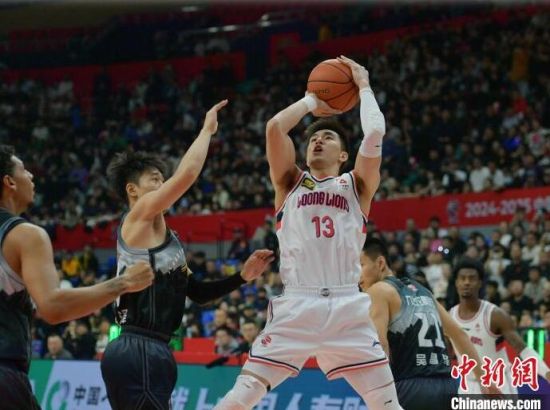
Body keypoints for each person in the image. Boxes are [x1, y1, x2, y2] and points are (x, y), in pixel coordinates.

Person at [215, 55, 402, 410]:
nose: (317, 141)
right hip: (297, 305)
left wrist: (363, 86)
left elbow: (375, 132)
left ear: (344, 155)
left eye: (327, 137)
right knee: (241, 397)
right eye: (313, 138)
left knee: (388, 405)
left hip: (348, 307)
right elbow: (274, 128)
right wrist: (312, 101)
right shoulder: (290, 182)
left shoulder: (357, 185)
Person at [101, 101, 275, 410]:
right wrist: (207, 130)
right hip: (137, 345)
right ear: (132, 190)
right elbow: (188, 174)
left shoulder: (171, 243)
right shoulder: (137, 217)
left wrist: (241, 277)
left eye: (161, 179)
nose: (161, 184)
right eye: (154, 179)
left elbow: (198, 293)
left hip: (155, 348)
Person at [0, 144, 154, 410]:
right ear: (10, 182)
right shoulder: (25, 235)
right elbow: (53, 307)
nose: (31, 176)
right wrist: (125, 282)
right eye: (24, 170)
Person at [359, 238, 499, 410]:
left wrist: (379, 394)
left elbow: (380, 345)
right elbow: (459, 335)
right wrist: (484, 379)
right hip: (447, 387)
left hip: (410, 387)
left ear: (380, 263)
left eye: (361, 265)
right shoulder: (423, 291)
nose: (356, 274)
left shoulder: (377, 291)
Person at [450, 257, 550, 394]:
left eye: (472, 278)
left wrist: (546, 373)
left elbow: (522, 349)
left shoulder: (495, 315)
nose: (466, 282)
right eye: (462, 278)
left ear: (480, 283)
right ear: (456, 282)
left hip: (499, 383)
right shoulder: (450, 317)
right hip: (468, 385)